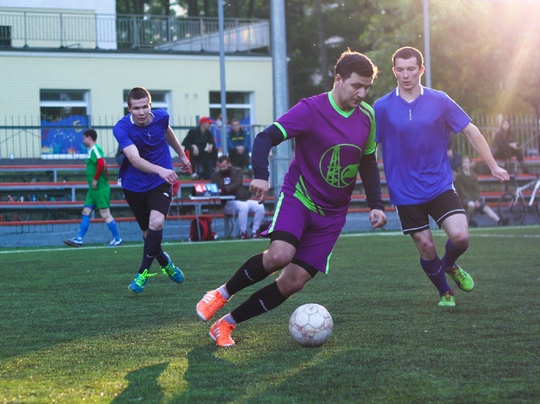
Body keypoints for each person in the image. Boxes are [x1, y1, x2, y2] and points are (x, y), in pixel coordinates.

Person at [196, 50, 387, 347]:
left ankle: (226, 324)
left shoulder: (367, 116)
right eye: (356, 86)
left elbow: (367, 162)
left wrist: (376, 204)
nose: (362, 94)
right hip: (299, 197)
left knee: (293, 282)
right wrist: (261, 174)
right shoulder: (310, 109)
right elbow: (265, 138)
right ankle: (221, 294)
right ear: (338, 79)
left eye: (367, 87)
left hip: (332, 215)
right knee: (279, 255)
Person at [374, 46, 509, 307]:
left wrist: (493, 165)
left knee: (461, 237)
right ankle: (445, 292)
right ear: (394, 72)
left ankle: (449, 264)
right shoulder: (382, 107)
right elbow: (370, 149)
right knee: (426, 246)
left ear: (421, 70)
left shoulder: (440, 100)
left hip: (439, 185)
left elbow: (471, 131)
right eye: (400, 70)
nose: (406, 75)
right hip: (404, 191)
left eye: (411, 69)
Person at [113, 86, 191, 295]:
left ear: (150, 105)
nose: (141, 112)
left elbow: (167, 132)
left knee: (156, 222)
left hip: (159, 182)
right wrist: (161, 170)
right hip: (134, 185)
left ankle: (142, 274)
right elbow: (134, 159)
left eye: (144, 107)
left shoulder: (162, 116)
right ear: (129, 109)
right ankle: (165, 262)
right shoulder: (121, 128)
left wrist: (182, 155)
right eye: (136, 108)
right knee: (148, 234)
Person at [63, 129, 122, 247]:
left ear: (89, 138)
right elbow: (103, 165)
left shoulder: (95, 148)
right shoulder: (91, 150)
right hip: (93, 189)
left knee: (105, 214)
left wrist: (95, 179)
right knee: (86, 211)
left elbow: (101, 163)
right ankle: (79, 239)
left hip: (100, 188)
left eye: (84, 138)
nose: (83, 140)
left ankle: (117, 238)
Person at [211, 155, 265, 239]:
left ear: (229, 164)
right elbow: (214, 188)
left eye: (224, 166)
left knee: (260, 206)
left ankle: (255, 231)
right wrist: (224, 190)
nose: (222, 169)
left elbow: (237, 184)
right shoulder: (216, 175)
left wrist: (225, 189)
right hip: (227, 202)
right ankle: (243, 232)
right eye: (220, 167)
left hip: (241, 198)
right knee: (243, 206)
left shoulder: (237, 171)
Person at [454, 156, 506, 227]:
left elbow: (476, 189)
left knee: (485, 208)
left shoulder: (474, 175)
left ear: (470, 164)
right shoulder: (459, 176)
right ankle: (470, 220)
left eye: (467, 162)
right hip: (464, 198)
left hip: (474, 198)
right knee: (471, 204)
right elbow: (461, 191)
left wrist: (477, 200)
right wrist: (473, 200)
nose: (465, 164)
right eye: (464, 162)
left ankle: (499, 221)